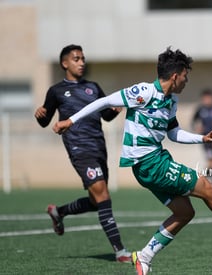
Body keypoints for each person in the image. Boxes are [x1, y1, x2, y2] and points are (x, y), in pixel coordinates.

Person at [52, 47, 212, 275]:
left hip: (154, 162)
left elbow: (174, 134)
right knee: (207, 187)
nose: (186, 81)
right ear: (175, 76)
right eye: (185, 76)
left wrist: (202, 138)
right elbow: (102, 103)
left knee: (184, 212)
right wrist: (70, 121)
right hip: (149, 163)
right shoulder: (142, 92)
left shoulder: (171, 101)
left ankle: (144, 257)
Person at [34, 44, 131, 263]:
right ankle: (120, 251)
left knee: (96, 200)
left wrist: (114, 111)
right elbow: (45, 122)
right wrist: (40, 115)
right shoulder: (56, 91)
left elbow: (105, 115)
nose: (81, 62)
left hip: (99, 147)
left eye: (83, 59)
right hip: (79, 149)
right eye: (76, 59)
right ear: (64, 63)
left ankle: (59, 212)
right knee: (103, 195)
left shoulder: (94, 87)